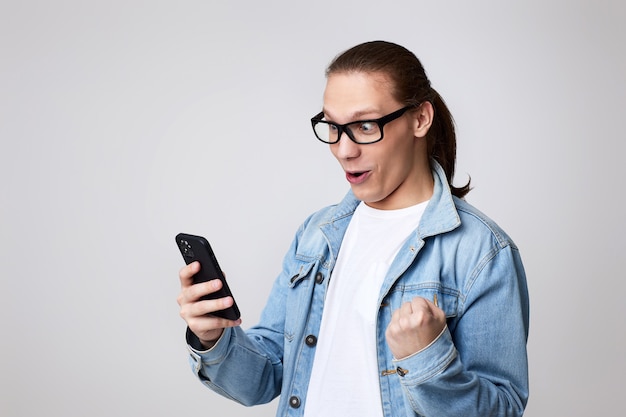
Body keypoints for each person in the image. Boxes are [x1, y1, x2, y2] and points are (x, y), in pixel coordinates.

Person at [177, 40, 530, 417]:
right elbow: (268, 375)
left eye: (364, 125)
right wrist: (213, 338)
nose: (343, 150)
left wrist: (428, 359)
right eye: (332, 126)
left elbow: (501, 410)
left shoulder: (482, 251)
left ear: (420, 119)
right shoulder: (316, 234)